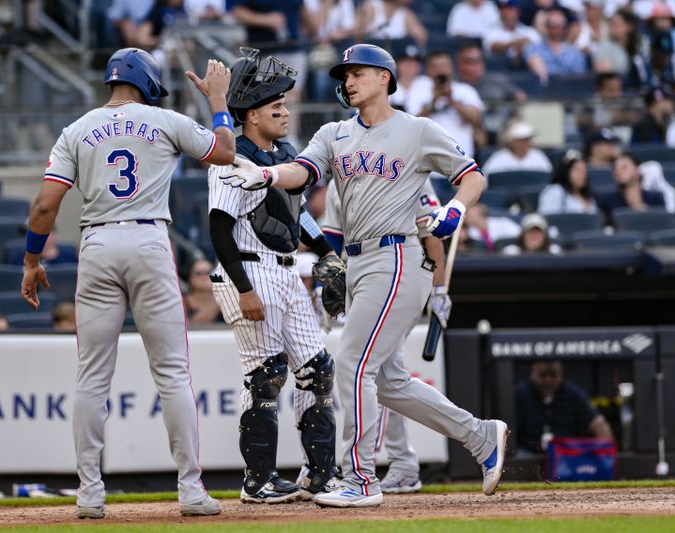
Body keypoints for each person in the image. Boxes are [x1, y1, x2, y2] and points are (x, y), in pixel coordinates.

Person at [218, 43, 508, 508]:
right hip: (356, 262)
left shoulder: (416, 130)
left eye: (358, 72)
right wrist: (268, 177)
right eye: (346, 73)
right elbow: (302, 170)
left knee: (353, 365)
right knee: (388, 382)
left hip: (397, 256)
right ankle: (480, 437)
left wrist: (456, 208)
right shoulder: (335, 133)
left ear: (384, 78)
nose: (349, 80)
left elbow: (471, 176)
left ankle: (361, 477)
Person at [20, 48, 235, 519]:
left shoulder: (75, 130)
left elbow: (43, 206)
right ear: (147, 80)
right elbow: (225, 152)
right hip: (149, 239)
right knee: (172, 373)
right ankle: (190, 490)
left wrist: (33, 259)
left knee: (92, 377)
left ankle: (89, 493)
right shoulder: (163, 118)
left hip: (96, 243)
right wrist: (218, 101)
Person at [207, 47, 342, 503]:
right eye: (275, 106)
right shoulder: (231, 157)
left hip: (285, 272)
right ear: (248, 116)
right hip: (246, 267)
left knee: (318, 370)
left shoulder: (283, 153)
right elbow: (218, 228)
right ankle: (258, 481)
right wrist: (243, 289)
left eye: (284, 104)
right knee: (266, 374)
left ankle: (319, 475)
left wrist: (327, 251)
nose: (285, 111)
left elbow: (293, 214)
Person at [322, 176, 452, 494]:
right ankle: (404, 462)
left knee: (370, 370)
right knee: (385, 373)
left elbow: (432, 234)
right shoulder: (339, 175)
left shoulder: (407, 167)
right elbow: (332, 238)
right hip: (357, 277)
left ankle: (368, 470)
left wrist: (440, 288)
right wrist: (325, 284)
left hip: (399, 274)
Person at [515, 360, 614, 454]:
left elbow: (598, 423)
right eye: (543, 375)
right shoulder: (520, 394)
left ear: (561, 375)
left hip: (566, 454)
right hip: (529, 455)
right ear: (532, 374)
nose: (548, 380)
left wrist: (605, 457)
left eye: (553, 375)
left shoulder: (572, 393)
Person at [407, 51, 484, 157]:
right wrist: (434, 100)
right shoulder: (418, 89)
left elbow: (476, 119)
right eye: (435, 66)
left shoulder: (465, 90)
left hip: (462, 158)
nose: (440, 70)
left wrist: (451, 100)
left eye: (444, 65)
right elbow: (412, 122)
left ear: (451, 68)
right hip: (429, 159)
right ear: (428, 70)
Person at [524, 7, 588, 85]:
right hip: (543, 92)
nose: (555, 29)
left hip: (568, 91)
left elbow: (579, 78)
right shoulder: (534, 48)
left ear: (564, 28)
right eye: (552, 25)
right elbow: (533, 61)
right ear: (546, 26)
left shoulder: (575, 53)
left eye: (559, 25)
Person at [597, 152, 666, 221]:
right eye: (615, 168)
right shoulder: (606, 201)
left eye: (624, 167)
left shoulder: (656, 198)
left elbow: (662, 223)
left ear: (637, 171)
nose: (618, 171)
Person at [481, 122, 552, 178]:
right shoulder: (498, 158)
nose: (527, 143)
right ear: (512, 142)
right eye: (522, 140)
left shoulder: (539, 156)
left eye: (528, 139)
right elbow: (485, 181)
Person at [538, 149, 598, 215]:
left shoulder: (589, 196)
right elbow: (549, 219)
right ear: (566, 172)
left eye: (584, 171)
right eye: (578, 171)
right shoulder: (555, 191)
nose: (582, 175)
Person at [483, 0, 541, 67]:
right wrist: (519, 42)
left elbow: (537, 46)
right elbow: (493, 46)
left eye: (510, 9)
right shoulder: (491, 31)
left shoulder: (529, 31)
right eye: (503, 9)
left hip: (527, 68)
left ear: (518, 12)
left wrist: (520, 48)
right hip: (501, 69)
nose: (506, 13)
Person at [360, 0, 428, 45]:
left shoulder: (406, 13)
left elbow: (421, 36)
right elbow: (359, 35)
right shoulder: (372, 6)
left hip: (396, 56)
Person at [183, 258, 221, 324]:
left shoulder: (224, 299)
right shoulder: (183, 302)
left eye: (208, 272)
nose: (204, 277)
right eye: (198, 273)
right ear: (190, 277)